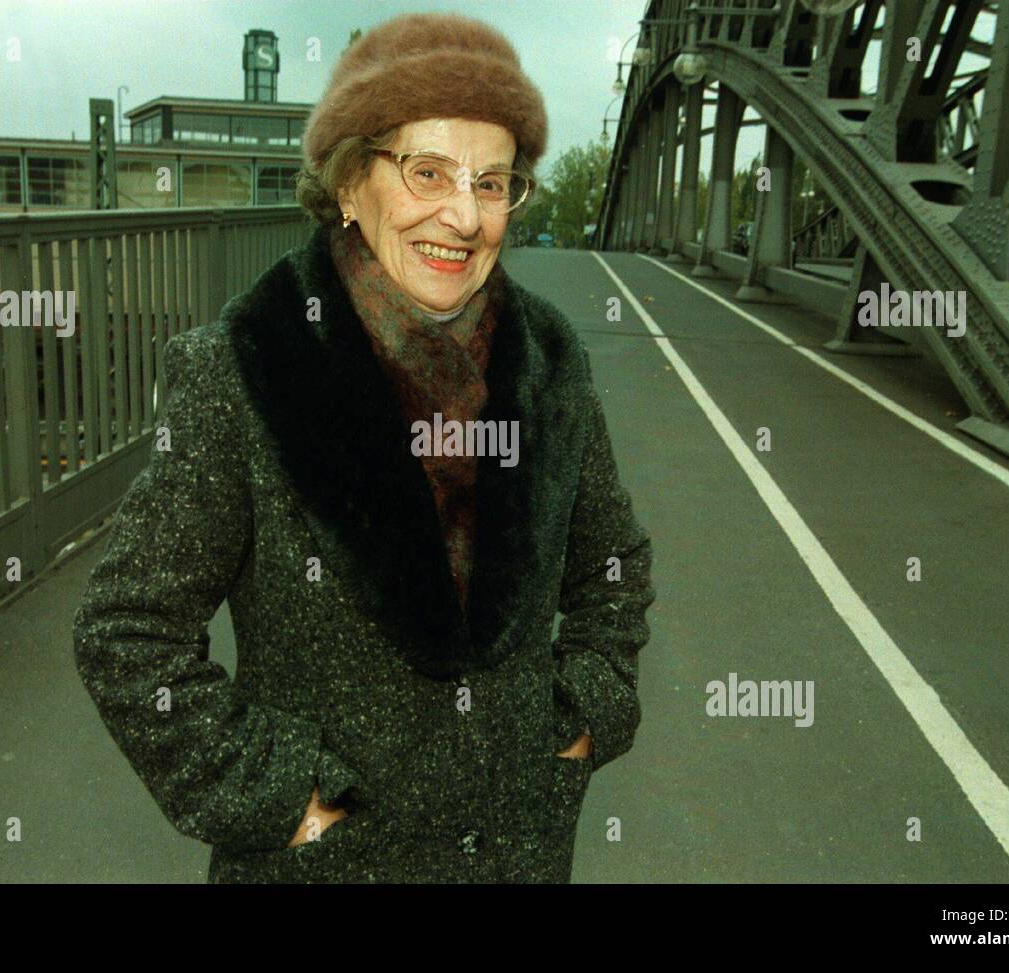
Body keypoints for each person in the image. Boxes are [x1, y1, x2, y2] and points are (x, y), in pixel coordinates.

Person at [72, 11, 655, 884]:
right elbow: (125, 629)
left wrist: (581, 721)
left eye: (493, 183)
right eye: (428, 172)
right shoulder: (246, 367)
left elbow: (613, 563)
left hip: (514, 856)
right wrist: (280, 797)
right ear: (350, 182)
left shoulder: (550, 359)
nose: (462, 215)